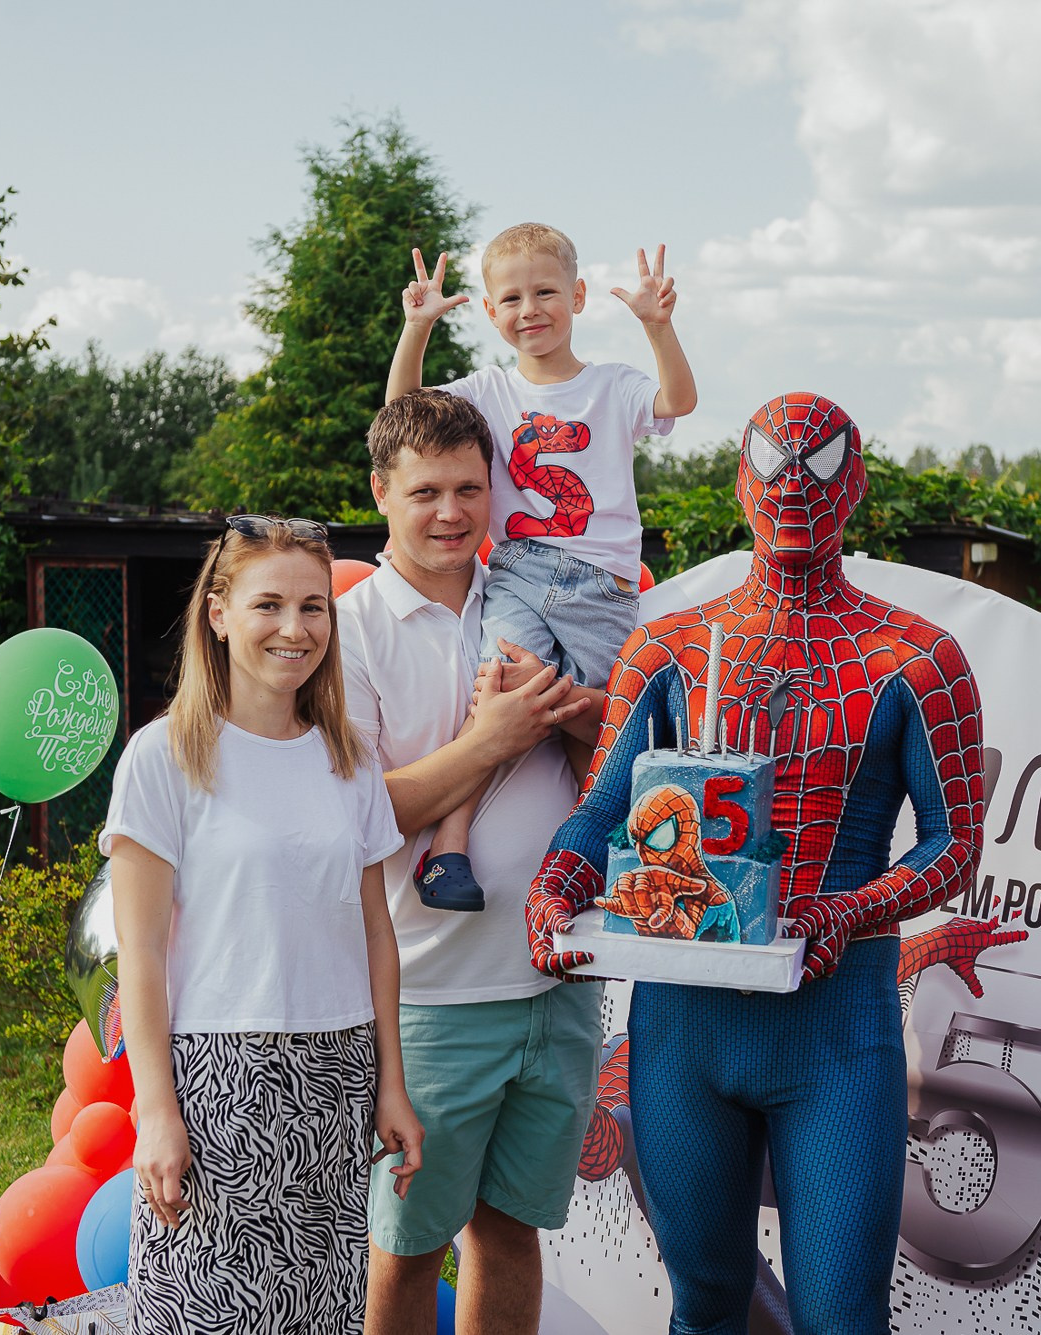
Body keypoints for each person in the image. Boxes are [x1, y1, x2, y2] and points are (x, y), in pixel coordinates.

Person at [525, 393, 987, 1334]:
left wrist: (848, 911)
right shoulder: (669, 644)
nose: (792, 487)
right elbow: (604, 807)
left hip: (834, 1030)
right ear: (741, 479)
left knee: (841, 1316)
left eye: (818, 468)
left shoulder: (919, 659)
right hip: (683, 1029)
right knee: (704, 1303)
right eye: (772, 463)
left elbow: (956, 846)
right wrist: (554, 887)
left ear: (854, 482)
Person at [103, 515, 424, 1335]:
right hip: (216, 1085)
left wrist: (390, 1080)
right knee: (202, 1314)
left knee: (318, 1316)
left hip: (334, 1078)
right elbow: (138, 956)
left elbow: (376, 932)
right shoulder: (163, 756)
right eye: (269, 604)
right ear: (218, 613)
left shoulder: (349, 758)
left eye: (314, 606)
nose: (295, 628)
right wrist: (157, 1111)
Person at [337, 389, 603, 1335]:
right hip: (430, 1002)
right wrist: (494, 738)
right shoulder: (351, 631)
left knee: (510, 1233)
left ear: (494, 488)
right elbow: (358, 816)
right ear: (380, 492)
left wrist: (582, 715)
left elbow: (614, 760)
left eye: (468, 487)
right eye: (424, 493)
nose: (450, 512)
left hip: (557, 979)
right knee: (407, 1247)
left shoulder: (535, 598)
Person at [384, 222, 698, 912]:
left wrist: (658, 326)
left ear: (579, 296)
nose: (531, 309)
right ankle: (450, 848)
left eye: (546, 292)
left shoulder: (613, 386)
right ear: (492, 314)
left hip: (604, 588)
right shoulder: (488, 391)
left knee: (608, 725)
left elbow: (678, 400)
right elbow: (403, 413)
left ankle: (617, 862)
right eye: (513, 298)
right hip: (522, 570)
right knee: (494, 692)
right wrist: (418, 329)